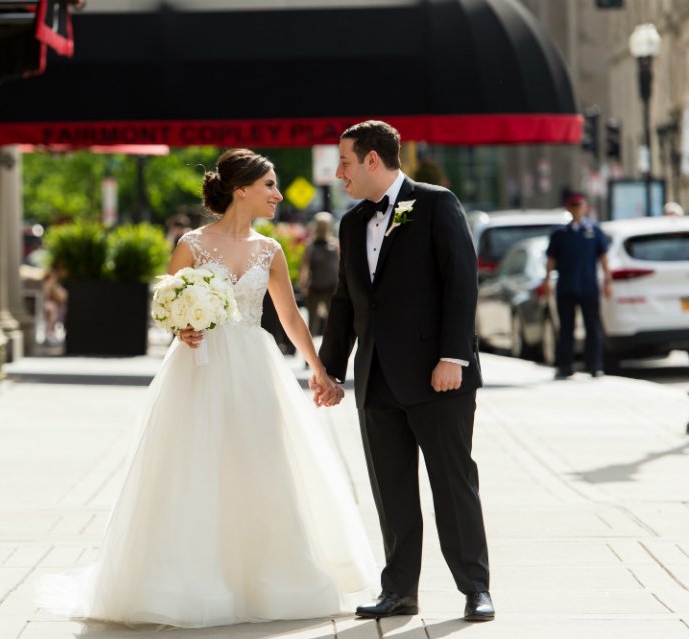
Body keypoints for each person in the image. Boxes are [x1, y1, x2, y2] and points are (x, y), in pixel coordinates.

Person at [35, 149, 377, 627]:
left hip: (256, 367)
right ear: (242, 190)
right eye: (270, 186)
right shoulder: (192, 244)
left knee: (262, 464)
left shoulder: (271, 250)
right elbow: (168, 303)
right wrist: (183, 328)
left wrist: (318, 370)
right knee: (195, 464)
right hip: (199, 367)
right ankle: (187, 580)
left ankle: (269, 581)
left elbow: (290, 317)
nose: (278, 195)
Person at [316, 121, 493, 622]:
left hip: (440, 378)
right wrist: (330, 371)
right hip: (377, 380)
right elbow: (346, 301)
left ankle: (475, 587)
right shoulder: (351, 223)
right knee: (391, 491)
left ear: (373, 160)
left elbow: (461, 284)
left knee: (453, 486)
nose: (339, 172)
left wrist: (452, 358)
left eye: (346, 161)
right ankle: (399, 591)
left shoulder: (437, 203)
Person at [542, 192, 611, 379]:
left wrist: (607, 280)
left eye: (579, 205)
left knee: (592, 326)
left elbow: (604, 257)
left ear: (585, 207)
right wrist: (547, 280)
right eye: (572, 205)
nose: (576, 209)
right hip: (566, 286)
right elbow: (551, 259)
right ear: (568, 208)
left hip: (588, 286)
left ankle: (595, 364)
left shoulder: (594, 231)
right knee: (566, 327)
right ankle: (566, 365)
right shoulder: (559, 233)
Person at [299, 212, 340, 336]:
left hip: (318, 287)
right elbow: (339, 267)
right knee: (332, 321)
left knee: (313, 322)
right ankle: (331, 351)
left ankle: (309, 353)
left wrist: (303, 285)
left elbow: (304, 268)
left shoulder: (310, 245)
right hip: (329, 287)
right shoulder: (334, 245)